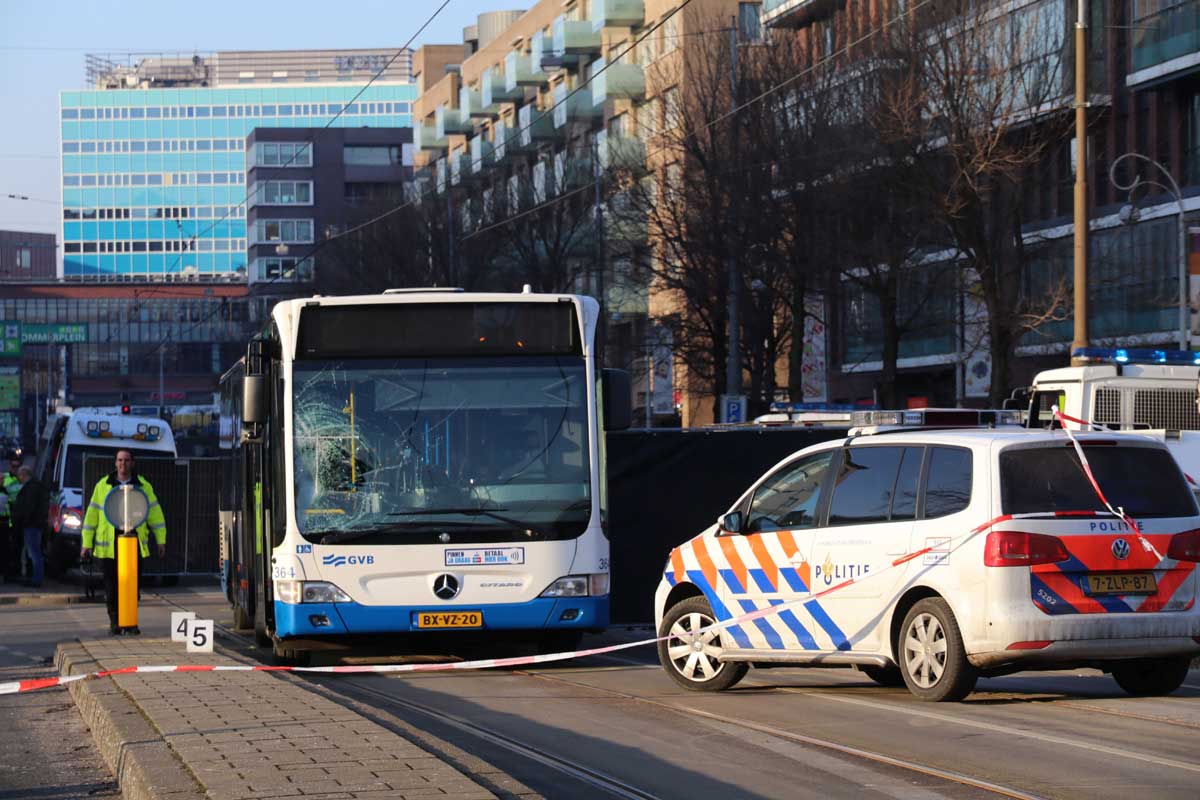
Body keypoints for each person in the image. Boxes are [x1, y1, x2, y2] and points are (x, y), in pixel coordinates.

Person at [80, 450, 167, 635]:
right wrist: (86, 544)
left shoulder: (143, 486)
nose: (122, 464)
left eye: (126, 460)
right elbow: (92, 515)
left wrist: (161, 540)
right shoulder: (103, 485)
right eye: (120, 460)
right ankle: (116, 622)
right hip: (109, 546)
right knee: (111, 587)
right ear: (115, 463)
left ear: (132, 463)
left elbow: (155, 515)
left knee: (132, 587)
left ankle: (130, 621)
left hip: (133, 543)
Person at [11, 466, 48, 588]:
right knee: (34, 552)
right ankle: (36, 577)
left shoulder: (31, 487)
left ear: (24, 475)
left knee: (34, 552)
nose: (19, 479)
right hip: (35, 524)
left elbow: (29, 507)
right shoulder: (36, 486)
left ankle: (36, 579)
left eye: (19, 477)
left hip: (32, 525)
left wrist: (24, 521)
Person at [1, 455, 21, 582]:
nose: (15, 468)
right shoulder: (6, 478)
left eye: (17, 466)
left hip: (12, 520)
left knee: (10, 549)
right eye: (13, 466)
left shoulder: (22, 478)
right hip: (6, 519)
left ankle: (11, 573)